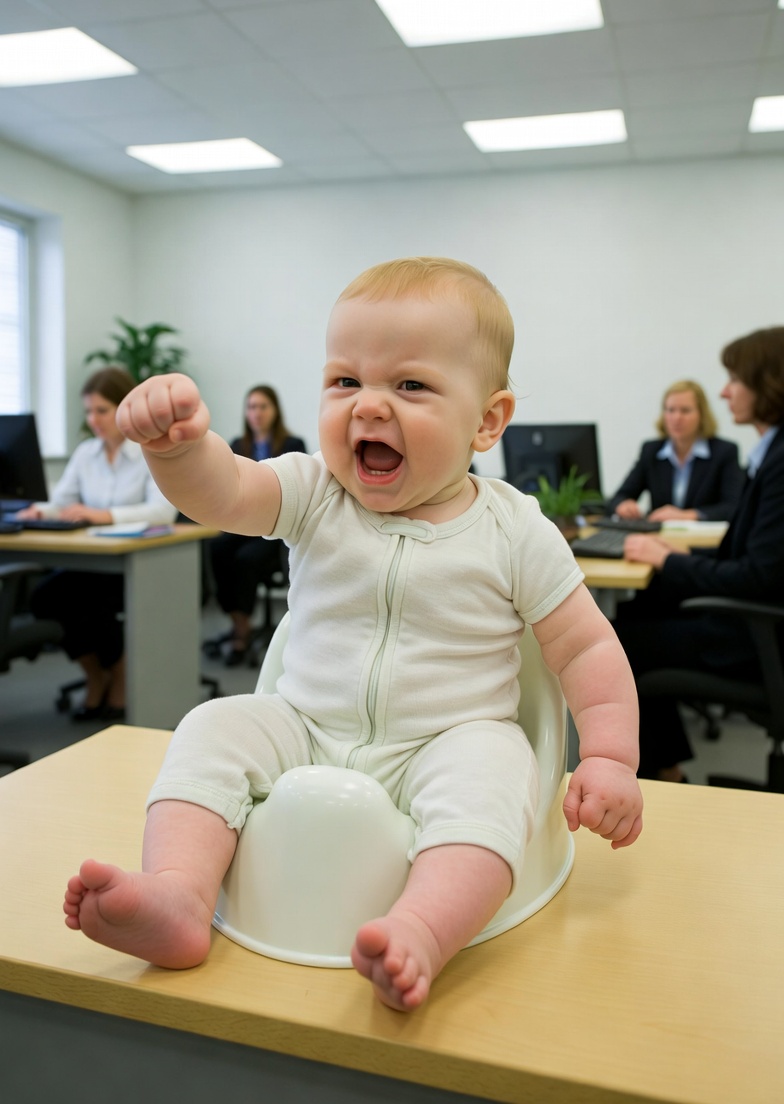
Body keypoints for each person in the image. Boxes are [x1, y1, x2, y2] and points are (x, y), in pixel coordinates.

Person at [63, 257, 643, 1012]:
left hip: (448, 739)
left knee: (497, 775)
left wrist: (609, 757)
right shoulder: (316, 492)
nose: (368, 405)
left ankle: (421, 930)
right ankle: (179, 894)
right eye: (345, 380)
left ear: (487, 421)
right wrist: (176, 451)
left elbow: (586, 647)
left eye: (411, 385)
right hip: (305, 724)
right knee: (212, 727)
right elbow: (224, 492)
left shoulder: (513, 530)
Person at [613, 326, 784, 782]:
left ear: (768, 384)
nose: (726, 392)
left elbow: (756, 575)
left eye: (736, 380)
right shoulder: (770, 454)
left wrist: (669, 560)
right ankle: (667, 768)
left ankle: (663, 774)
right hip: (750, 616)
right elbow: (757, 557)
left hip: (754, 634)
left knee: (615, 643)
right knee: (634, 611)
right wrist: (678, 554)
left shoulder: (776, 461)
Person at [17, 366, 177, 720]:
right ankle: (97, 674)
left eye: (102, 410)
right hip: (94, 560)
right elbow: (62, 502)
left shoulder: (149, 452)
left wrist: (103, 515)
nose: (93, 420)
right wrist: (39, 511)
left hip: (137, 563)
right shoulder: (86, 453)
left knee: (92, 603)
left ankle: (119, 673)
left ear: (124, 409)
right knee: (46, 597)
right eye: (88, 411)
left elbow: (162, 511)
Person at [209, 385, 305, 664]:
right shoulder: (238, 446)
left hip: (275, 528)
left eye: (263, 406)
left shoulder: (292, 444)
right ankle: (239, 621)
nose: (257, 413)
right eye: (252, 407)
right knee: (217, 549)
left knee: (245, 560)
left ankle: (242, 631)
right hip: (244, 524)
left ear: (275, 411)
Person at [607, 379, 744, 522]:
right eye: (670, 410)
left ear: (701, 414)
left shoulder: (724, 452)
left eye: (685, 411)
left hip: (704, 535)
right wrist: (623, 505)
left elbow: (733, 507)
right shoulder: (651, 451)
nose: (676, 418)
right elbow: (618, 497)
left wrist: (687, 515)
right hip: (658, 533)